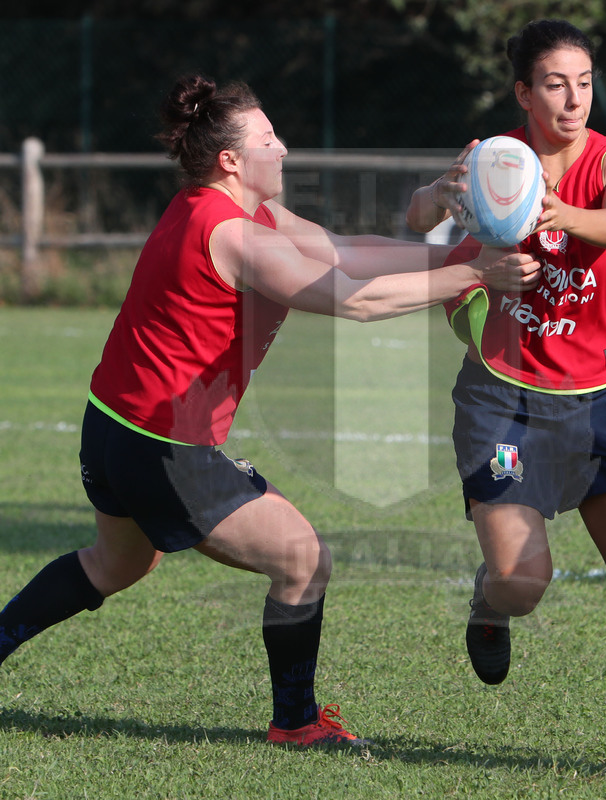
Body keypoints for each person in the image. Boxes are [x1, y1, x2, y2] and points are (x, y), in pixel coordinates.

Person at [0, 74, 524, 748]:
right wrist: (475, 275)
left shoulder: (228, 212)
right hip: (164, 449)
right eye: (268, 139)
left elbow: (345, 253)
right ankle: (297, 724)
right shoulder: (238, 237)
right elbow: (353, 300)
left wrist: (457, 255)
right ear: (230, 160)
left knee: (116, 564)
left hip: (112, 427)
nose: (282, 148)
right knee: (303, 558)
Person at [406, 19, 606, 763]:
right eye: (555, 84)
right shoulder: (495, 162)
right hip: (501, 401)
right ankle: (488, 601)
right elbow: (414, 219)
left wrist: (559, 212)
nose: (573, 99)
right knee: (521, 582)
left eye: (584, 82)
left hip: (597, 401)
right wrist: (441, 193)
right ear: (523, 92)